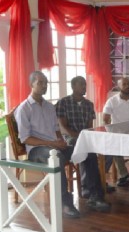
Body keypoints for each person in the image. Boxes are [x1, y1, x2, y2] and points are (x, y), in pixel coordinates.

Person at [15, 71, 80, 218]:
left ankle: (94, 194)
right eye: (40, 83)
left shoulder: (50, 107)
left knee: (83, 150)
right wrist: (51, 143)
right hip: (36, 150)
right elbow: (25, 138)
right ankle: (65, 202)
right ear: (31, 85)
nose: (44, 86)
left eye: (46, 83)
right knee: (56, 157)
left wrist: (60, 141)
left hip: (53, 146)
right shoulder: (24, 109)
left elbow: (56, 129)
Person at [56, 76, 111, 212]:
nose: (84, 87)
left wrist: (86, 137)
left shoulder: (89, 105)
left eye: (85, 84)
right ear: (73, 86)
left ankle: (89, 187)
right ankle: (95, 194)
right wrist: (79, 137)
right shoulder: (63, 103)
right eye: (81, 84)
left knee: (108, 149)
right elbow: (62, 127)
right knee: (89, 153)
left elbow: (89, 127)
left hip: (85, 137)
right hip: (69, 139)